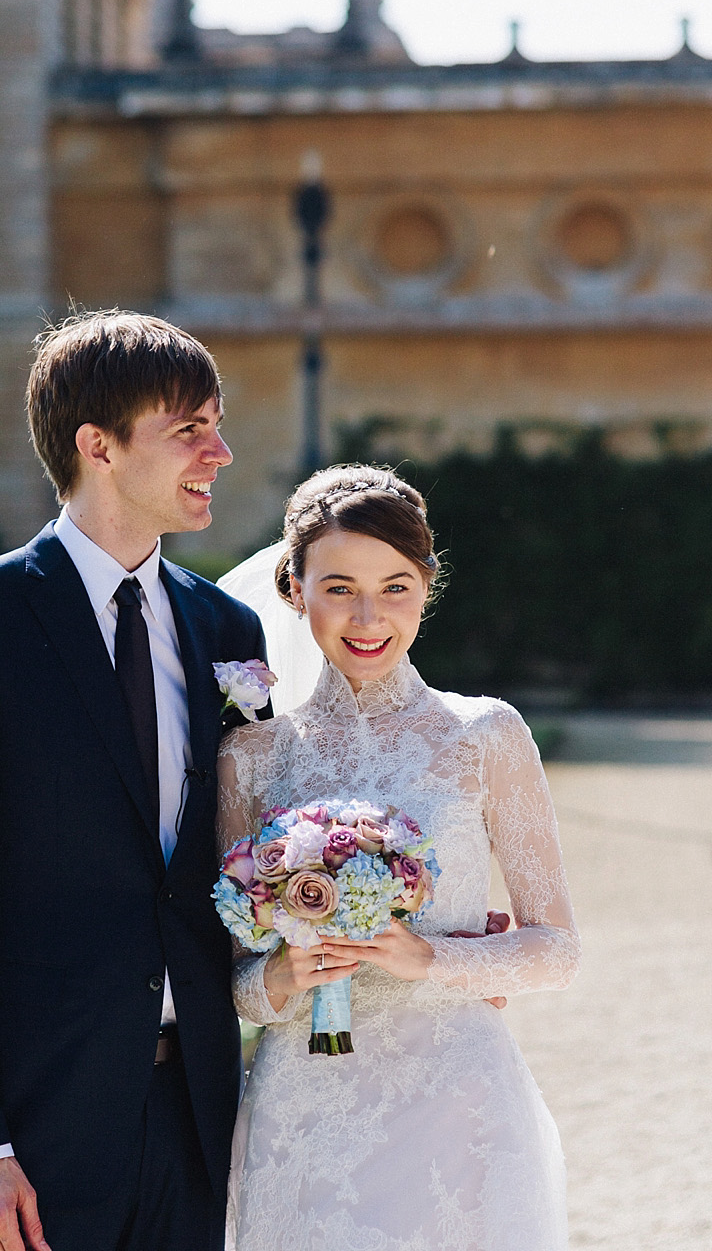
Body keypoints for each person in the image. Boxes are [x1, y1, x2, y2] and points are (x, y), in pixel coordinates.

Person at [0, 311, 271, 1251]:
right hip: (31, 1135)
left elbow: (255, 852)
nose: (219, 452)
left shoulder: (229, 633)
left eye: (216, 424)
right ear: (95, 445)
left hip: (199, 1125)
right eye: (189, 429)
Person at [218, 464, 580, 1251]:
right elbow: (233, 981)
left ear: (427, 586)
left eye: (396, 587)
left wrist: (432, 958)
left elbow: (556, 950)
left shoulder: (485, 736)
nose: (368, 616)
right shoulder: (250, 758)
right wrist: (283, 976)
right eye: (339, 586)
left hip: (456, 1107)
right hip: (302, 1110)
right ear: (294, 587)